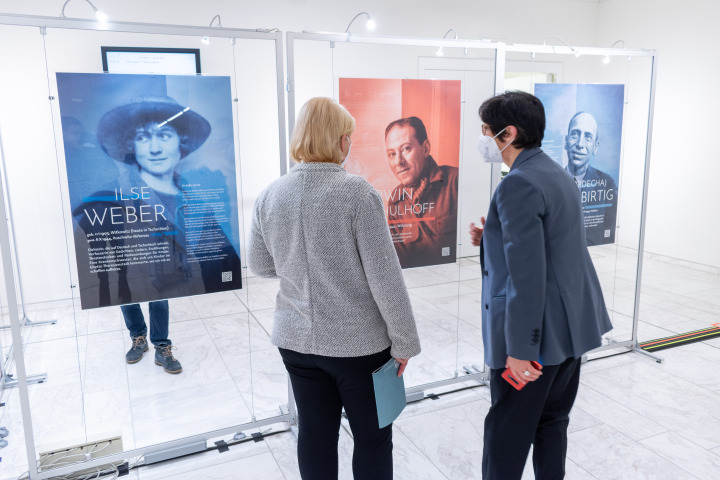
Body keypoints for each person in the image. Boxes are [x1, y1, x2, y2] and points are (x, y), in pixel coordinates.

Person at [248, 97, 421, 480]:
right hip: (359, 347)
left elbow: (260, 265)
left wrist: (300, 265)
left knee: (314, 433)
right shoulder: (357, 194)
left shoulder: (270, 195)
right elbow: (385, 278)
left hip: (295, 342)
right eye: (349, 137)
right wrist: (405, 341)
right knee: (373, 439)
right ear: (340, 140)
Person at [470, 91, 612, 480]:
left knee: (506, 435)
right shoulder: (554, 172)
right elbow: (552, 243)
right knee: (552, 423)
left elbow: (526, 279)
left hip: (538, 343)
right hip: (571, 331)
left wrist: (519, 350)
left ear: (508, 133)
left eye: (486, 130)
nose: (483, 138)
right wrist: (492, 236)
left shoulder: (518, 184)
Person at [78, 96, 240, 373]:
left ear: (181, 142)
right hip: (129, 263)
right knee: (126, 287)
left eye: (165, 135)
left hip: (171, 272)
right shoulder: (109, 195)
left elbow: (219, 249)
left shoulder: (196, 194)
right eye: (143, 137)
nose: (155, 148)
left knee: (162, 293)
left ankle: (161, 344)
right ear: (131, 146)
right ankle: (137, 337)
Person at [384, 116, 458, 269]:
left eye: (406, 149)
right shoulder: (395, 200)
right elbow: (401, 261)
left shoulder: (454, 181)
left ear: (426, 148)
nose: (399, 161)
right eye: (392, 154)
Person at [564, 111, 618, 245]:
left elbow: (608, 229)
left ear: (595, 147)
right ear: (566, 141)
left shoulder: (608, 184)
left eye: (588, 137)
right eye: (575, 134)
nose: (580, 144)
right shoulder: (549, 181)